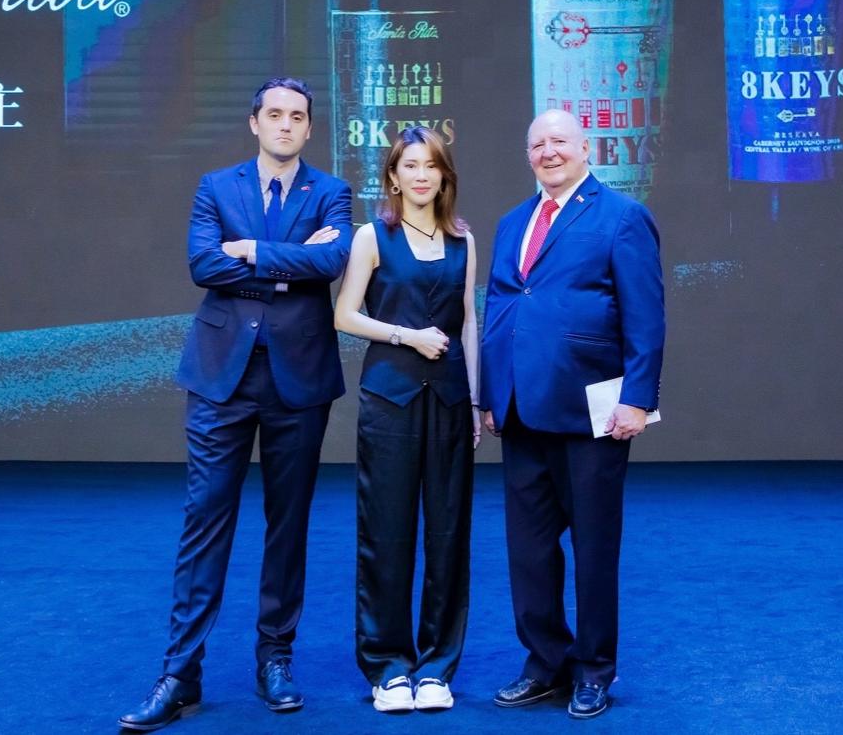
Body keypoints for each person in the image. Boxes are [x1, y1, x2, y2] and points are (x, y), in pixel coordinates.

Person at [119, 78, 353, 731]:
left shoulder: (331, 191)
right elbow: (202, 265)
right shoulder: (216, 186)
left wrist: (250, 252)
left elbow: (333, 260)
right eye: (274, 114)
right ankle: (180, 673)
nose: (285, 124)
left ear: (309, 128)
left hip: (298, 379)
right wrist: (288, 265)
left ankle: (275, 659)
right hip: (220, 376)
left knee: (288, 524)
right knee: (204, 521)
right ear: (255, 122)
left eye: (297, 116)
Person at [479, 109, 664, 720]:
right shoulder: (512, 222)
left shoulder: (622, 216)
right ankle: (545, 665)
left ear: (586, 148)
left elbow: (645, 315)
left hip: (593, 413)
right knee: (529, 551)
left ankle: (594, 670)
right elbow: (502, 308)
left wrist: (638, 398)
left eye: (559, 141)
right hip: (520, 411)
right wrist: (491, 395)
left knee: (593, 548)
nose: (548, 151)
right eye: (537, 144)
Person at [333, 127, 479, 714]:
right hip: (388, 401)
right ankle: (388, 667)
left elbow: (469, 322)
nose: (421, 175)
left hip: (449, 401)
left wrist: (475, 401)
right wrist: (406, 336)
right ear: (393, 177)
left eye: (432, 166)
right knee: (386, 533)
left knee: (448, 535)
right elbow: (345, 315)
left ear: (445, 177)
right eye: (410, 165)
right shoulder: (372, 236)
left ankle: (437, 667)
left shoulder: (464, 240)